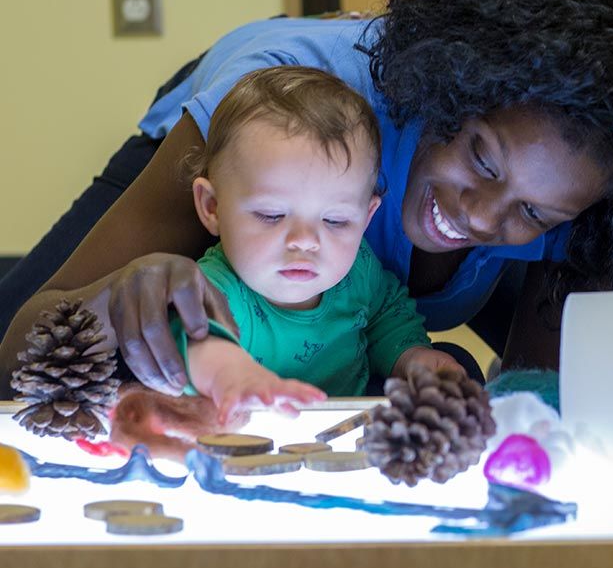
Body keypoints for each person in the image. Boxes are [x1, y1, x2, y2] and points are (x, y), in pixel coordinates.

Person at [1, 0, 613, 517]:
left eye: (534, 210)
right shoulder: (265, 135)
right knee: (34, 337)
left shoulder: (565, 186)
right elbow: (22, 352)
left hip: (411, 234)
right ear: (449, 92)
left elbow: (542, 403)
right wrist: (116, 298)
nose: (476, 214)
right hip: (247, 127)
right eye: (481, 158)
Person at [170, 64, 462, 422]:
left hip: (350, 444)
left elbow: (386, 317)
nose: (305, 241)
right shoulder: (216, 288)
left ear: (366, 217)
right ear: (212, 207)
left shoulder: (359, 272)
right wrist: (229, 374)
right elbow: (194, 336)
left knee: (455, 367)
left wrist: (413, 359)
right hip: (248, 447)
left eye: (335, 220)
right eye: (272, 215)